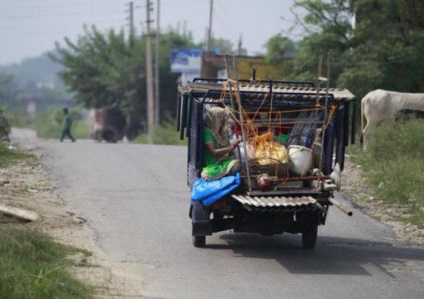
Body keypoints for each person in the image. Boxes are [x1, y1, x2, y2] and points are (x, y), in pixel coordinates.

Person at [201, 107, 241, 180]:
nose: (224, 121)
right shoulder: (207, 132)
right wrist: (231, 147)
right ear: (216, 119)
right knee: (235, 166)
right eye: (222, 119)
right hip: (213, 164)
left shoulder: (221, 132)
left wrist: (233, 148)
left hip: (223, 161)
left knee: (239, 163)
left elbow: (229, 152)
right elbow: (213, 152)